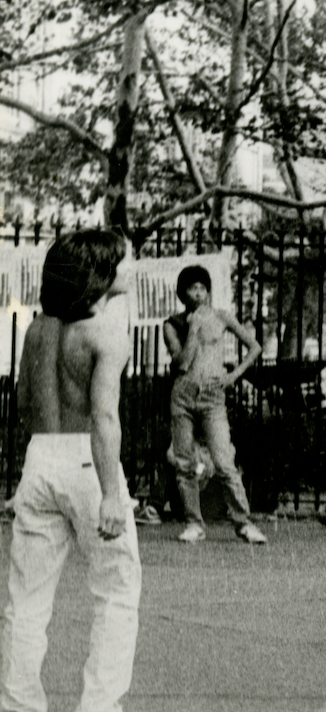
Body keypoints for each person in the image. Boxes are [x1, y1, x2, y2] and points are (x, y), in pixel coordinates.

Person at [0, 230, 140, 712]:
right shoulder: (106, 332)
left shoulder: (38, 329)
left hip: (41, 457)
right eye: (122, 261)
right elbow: (104, 417)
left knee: (26, 602)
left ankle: (17, 707)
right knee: (117, 593)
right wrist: (110, 494)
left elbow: (21, 404)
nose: (130, 268)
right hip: (88, 462)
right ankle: (100, 707)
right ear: (100, 273)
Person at [162, 264, 267, 544]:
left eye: (201, 288)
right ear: (182, 294)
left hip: (212, 395)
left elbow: (255, 346)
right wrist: (193, 329)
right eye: (191, 288)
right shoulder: (172, 324)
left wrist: (234, 375)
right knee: (185, 463)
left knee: (224, 461)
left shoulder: (222, 317)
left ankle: (243, 522)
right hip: (183, 395)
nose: (197, 293)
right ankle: (193, 523)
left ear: (208, 292)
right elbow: (182, 363)